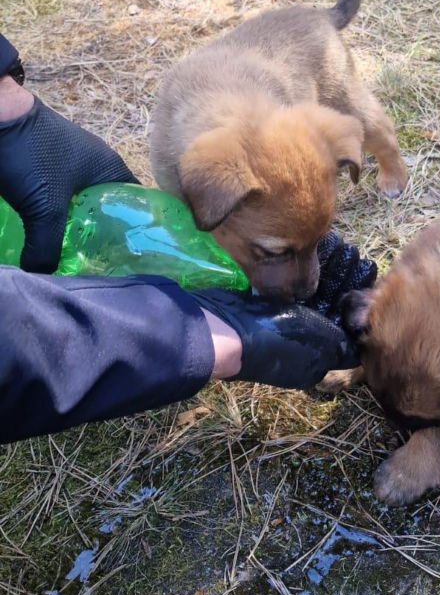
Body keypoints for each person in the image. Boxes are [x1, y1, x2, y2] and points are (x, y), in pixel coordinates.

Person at [0, 34, 366, 445]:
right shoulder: (211, 173)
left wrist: (9, 110)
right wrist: (184, 333)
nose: (307, 282)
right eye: (273, 251)